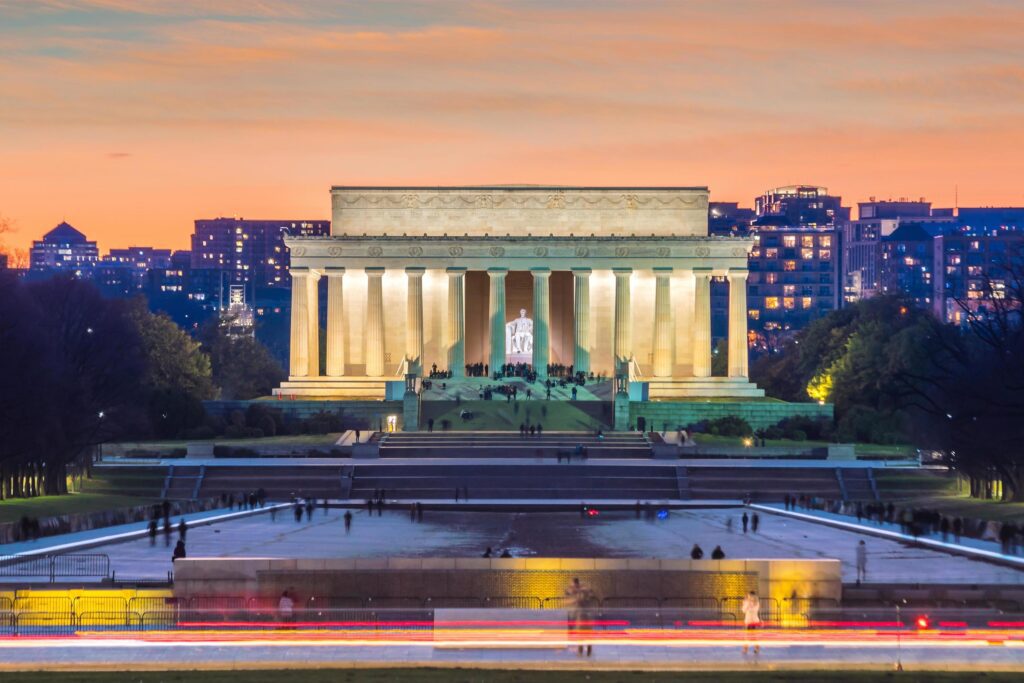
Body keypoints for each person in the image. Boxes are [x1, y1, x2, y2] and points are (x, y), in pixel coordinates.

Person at [565, 577, 595, 656]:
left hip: (584, 615)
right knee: (585, 634)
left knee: (583, 633)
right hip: (584, 615)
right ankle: (586, 650)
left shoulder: (582, 590)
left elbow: (580, 599)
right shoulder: (582, 590)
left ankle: (584, 650)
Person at [741, 590, 762, 655]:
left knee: (754, 636)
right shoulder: (746, 602)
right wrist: (747, 604)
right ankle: (745, 649)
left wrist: (751, 605)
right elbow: (743, 610)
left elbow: (755, 610)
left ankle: (757, 649)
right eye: (749, 596)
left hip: (754, 621)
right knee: (746, 636)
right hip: (748, 621)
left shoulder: (757, 603)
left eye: (752, 596)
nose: (750, 597)